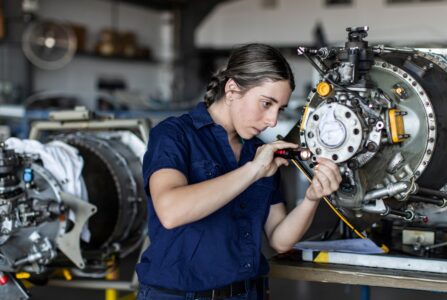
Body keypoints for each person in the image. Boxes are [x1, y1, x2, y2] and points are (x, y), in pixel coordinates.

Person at [136, 43, 342, 300]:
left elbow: (279, 239)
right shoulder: (175, 135)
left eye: (279, 109)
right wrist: (253, 170)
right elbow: (171, 211)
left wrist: (312, 198)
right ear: (232, 89)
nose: (273, 120)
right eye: (266, 103)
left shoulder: (260, 152)